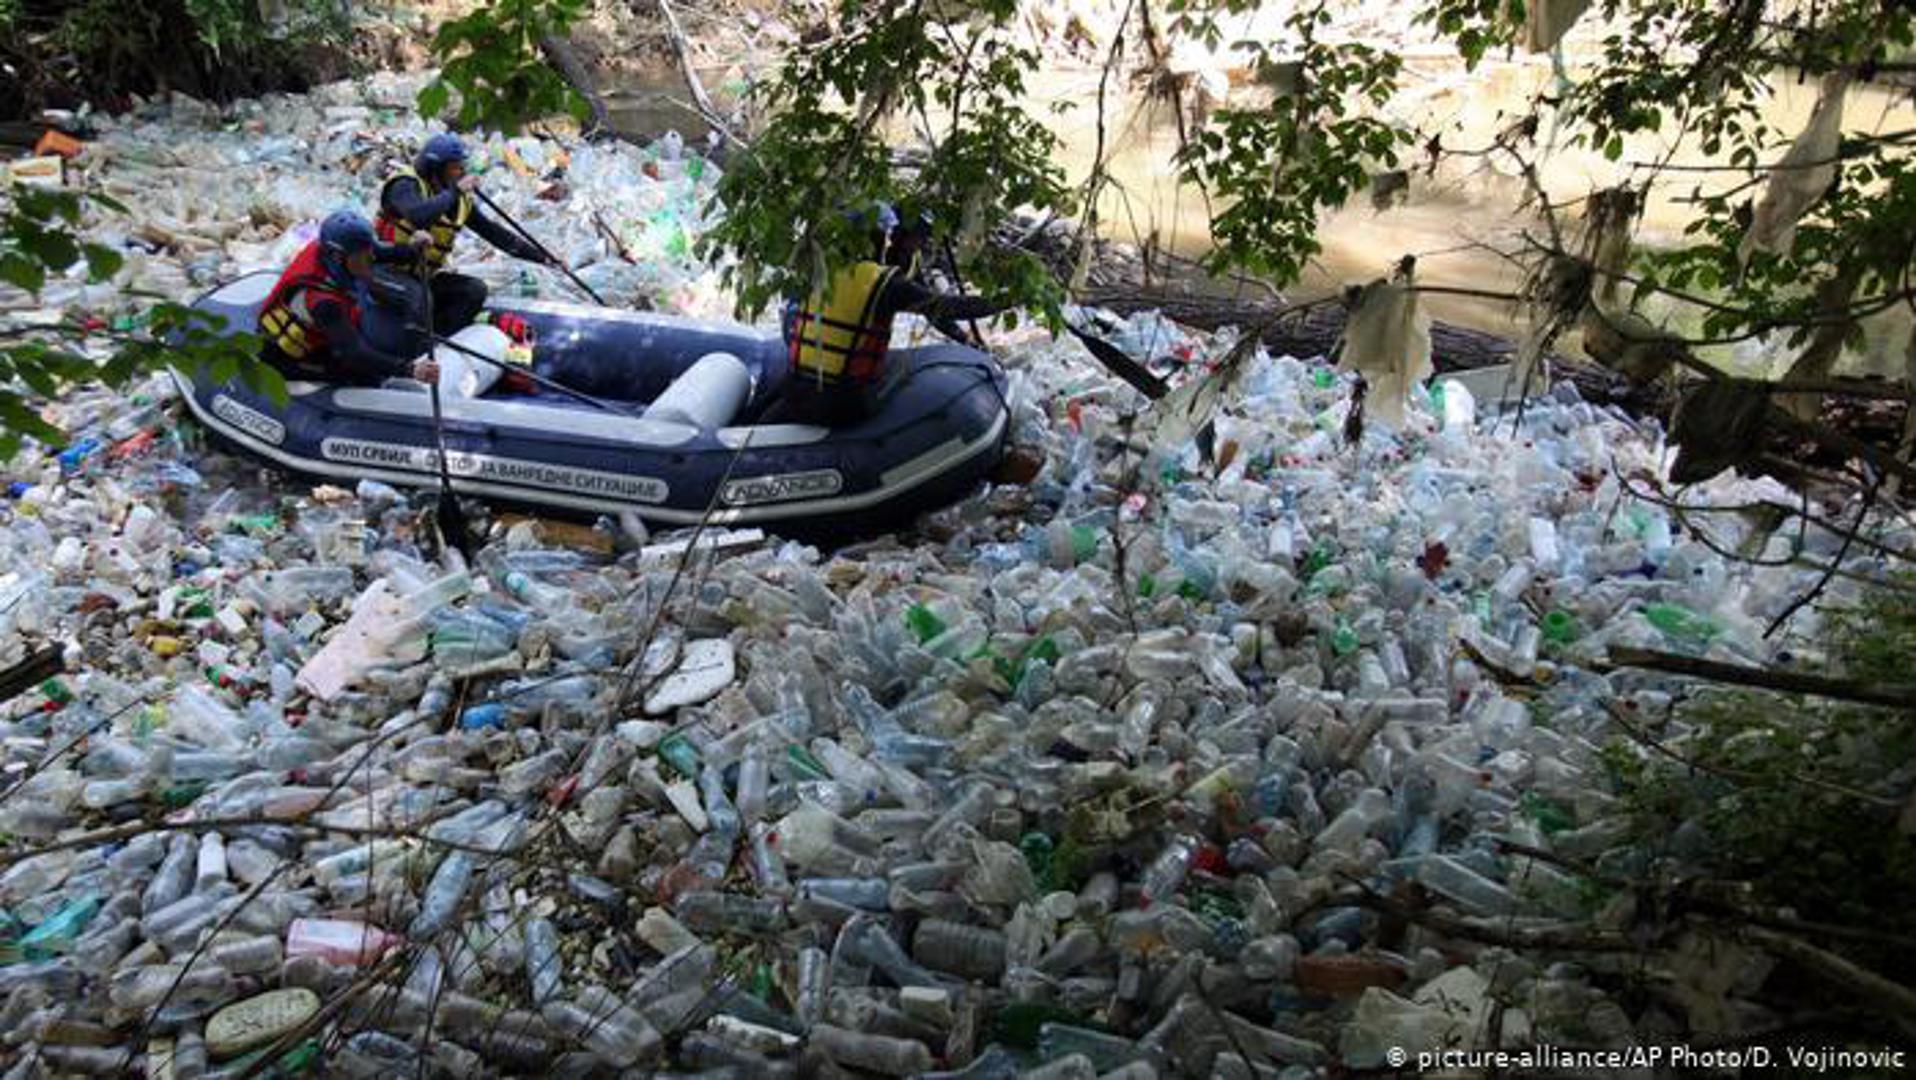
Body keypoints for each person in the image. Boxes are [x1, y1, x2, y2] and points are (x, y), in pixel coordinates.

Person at [771, 206, 1011, 426]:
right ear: (876, 240)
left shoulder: (819, 269)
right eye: (887, 236)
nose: (890, 242)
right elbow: (946, 307)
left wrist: (964, 339)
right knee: (902, 370)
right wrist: (1007, 300)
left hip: (796, 388)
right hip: (841, 403)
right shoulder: (886, 283)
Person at [376, 133, 557, 333]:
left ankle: (442, 339)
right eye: (455, 167)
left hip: (423, 276)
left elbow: (495, 234)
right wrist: (456, 191)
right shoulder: (404, 184)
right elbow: (418, 216)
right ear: (435, 169)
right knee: (419, 298)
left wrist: (544, 257)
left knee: (474, 290)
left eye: (462, 166)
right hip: (385, 271)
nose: (462, 172)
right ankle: (415, 347)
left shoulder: (459, 201)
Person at [258, 211, 440, 386]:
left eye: (369, 249)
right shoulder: (322, 301)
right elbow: (354, 352)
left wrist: (413, 249)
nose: (371, 257)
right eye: (362, 255)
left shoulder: (329, 248)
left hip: (323, 329)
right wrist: (410, 369)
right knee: (365, 375)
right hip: (289, 358)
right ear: (338, 257)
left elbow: (379, 252)